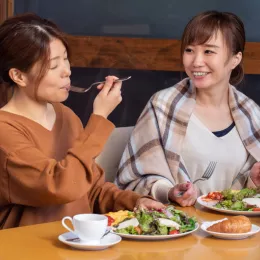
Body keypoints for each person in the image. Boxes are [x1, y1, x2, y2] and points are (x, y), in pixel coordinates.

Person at [0, 13, 164, 229]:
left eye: (66, 59)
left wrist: (135, 201)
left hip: (78, 244)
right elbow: (61, 186)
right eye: (53, 66)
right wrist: (99, 118)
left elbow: (90, 189)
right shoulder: (5, 131)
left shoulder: (66, 116)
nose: (67, 71)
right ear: (18, 76)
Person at [115, 11, 260, 207]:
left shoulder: (251, 114)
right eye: (190, 50)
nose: (196, 62)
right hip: (178, 228)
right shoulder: (163, 106)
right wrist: (168, 192)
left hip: (236, 230)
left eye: (208, 51)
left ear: (235, 59)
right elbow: (133, 180)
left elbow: (248, 193)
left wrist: (253, 181)